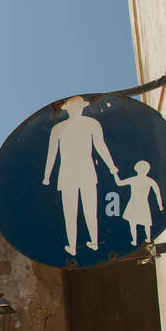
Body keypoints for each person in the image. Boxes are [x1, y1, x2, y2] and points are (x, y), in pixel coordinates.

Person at [42, 96, 120, 256]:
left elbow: (101, 148)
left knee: (89, 210)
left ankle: (94, 241)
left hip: (85, 172)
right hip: (69, 173)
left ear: (82, 108)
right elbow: (52, 154)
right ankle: (72, 245)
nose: (76, 110)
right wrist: (47, 175)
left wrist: (112, 167)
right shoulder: (58, 129)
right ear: (69, 110)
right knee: (71, 212)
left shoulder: (91, 124)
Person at [116, 160, 163, 245]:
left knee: (134, 224)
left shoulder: (135, 179)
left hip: (134, 204)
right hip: (141, 204)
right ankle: (147, 239)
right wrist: (160, 205)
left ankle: (135, 241)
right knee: (145, 224)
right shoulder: (149, 180)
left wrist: (114, 174)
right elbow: (157, 193)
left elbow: (119, 183)